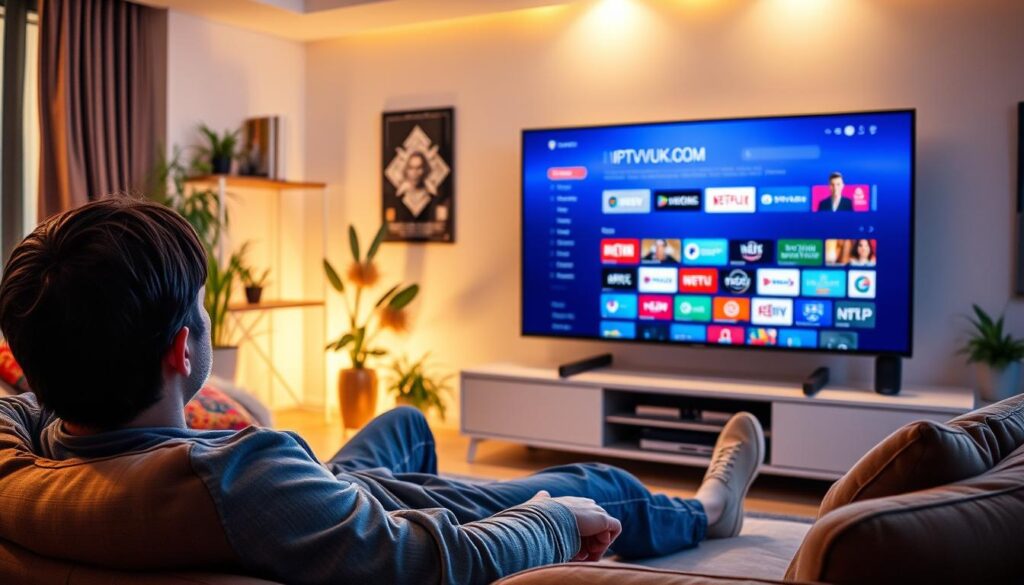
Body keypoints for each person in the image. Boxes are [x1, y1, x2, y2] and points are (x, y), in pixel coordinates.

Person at [0, 198, 764, 585]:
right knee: (588, 483)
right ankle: (709, 509)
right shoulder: (241, 478)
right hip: (334, 511)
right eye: (203, 307)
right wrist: (553, 519)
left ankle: (433, 483)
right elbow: (443, 561)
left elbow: (24, 401)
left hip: (314, 496)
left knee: (403, 421)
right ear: (181, 350)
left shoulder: (25, 456)